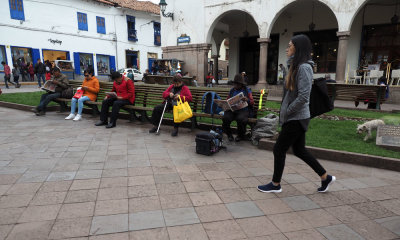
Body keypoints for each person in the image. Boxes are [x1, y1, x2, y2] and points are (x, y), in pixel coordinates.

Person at [257, 34, 335, 193]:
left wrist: (288, 110)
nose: (287, 48)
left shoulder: (304, 67)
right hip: (296, 116)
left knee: (279, 149)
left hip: (297, 117)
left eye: (290, 45)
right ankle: (325, 177)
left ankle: (275, 184)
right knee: (299, 150)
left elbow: (304, 96)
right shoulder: (294, 66)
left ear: (297, 49)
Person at [222, 74, 254, 142]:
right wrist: (224, 104)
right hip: (233, 110)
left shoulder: (247, 90)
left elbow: (252, 102)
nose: (235, 86)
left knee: (240, 119)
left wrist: (247, 99)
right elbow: (227, 99)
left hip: (243, 110)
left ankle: (240, 135)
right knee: (225, 118)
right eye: (235, 84)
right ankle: (229, 134)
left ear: (241, 84)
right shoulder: (232, 90)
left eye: (237, 84)